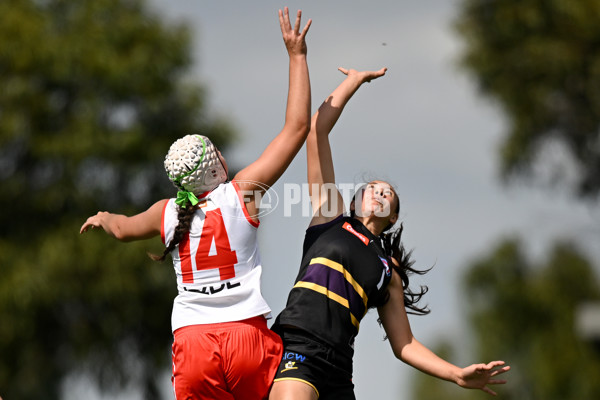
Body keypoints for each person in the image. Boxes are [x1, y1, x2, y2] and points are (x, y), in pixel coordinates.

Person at [80, 7, 311, 400]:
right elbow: (297, 128)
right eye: (217, 152)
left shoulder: (166, 211)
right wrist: (297, 56)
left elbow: (121, 229)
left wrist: (104, 217)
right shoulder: (242, 193)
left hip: (193, 345)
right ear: (215, 168)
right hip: (247, 339)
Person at [268, 67, 510, 400]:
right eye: (373, 188)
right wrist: (353, 81)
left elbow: (405, 344)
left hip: (339, 369)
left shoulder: (387, 269)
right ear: (354, 201)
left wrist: (456, 374)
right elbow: (316, 131)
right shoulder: (330, 218)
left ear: (393, 216)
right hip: (299, 349)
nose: (380, 192)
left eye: (388, 193)